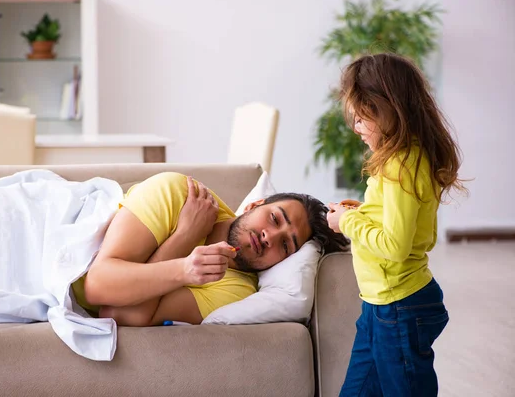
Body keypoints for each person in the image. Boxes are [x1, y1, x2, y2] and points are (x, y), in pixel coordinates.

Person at [326, 53, 467, 396]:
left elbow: (396, 246)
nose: (357, 128)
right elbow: (409, 223)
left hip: (398, 308)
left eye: (362, 118)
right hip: (380, 306)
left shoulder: (400, 165)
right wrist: (366, 211)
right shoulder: (410, 156)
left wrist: (348, 223)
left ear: (390, 109)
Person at [72, 171, 349, 326]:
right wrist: (185, 241)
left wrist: (183, 243)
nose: (270, 237)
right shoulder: (178, 193)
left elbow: (120, 316)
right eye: (275, 218)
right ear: (254, 205)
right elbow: (97, 283)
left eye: (286, 245)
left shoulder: (236, 291)